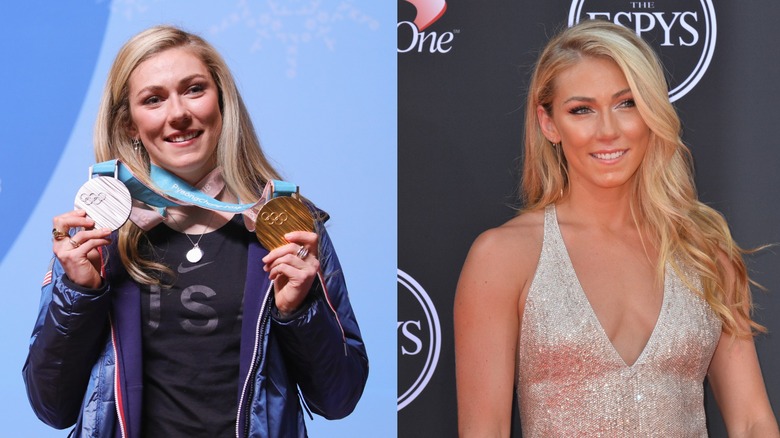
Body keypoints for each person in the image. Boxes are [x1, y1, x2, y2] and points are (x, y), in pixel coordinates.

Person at [23, 25, 368, 437]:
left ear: (221, 103)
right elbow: (51, 407)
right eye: (153, 99)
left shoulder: (287, 226)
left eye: (194, 90)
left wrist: (299, 310)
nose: (178, 114)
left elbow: (339, 398)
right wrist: (79, 294)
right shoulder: (98, 234)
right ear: (130, 124)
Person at [454, 19, 779, 437]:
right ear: (549, 123)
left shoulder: (705, 252)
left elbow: (752, 421)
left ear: (652, 113)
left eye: (626, 104)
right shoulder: (503, 257)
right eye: (581, 110)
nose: (608, 131)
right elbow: (485, 429)